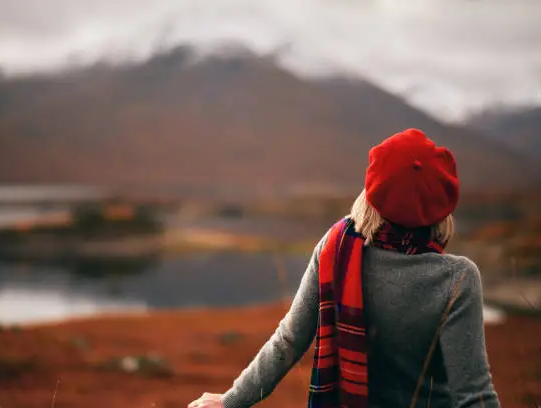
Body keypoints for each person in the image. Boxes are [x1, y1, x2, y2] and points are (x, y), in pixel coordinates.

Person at [188, 128, 500, 408]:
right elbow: (474, 396)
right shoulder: (458, 278)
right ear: (441, 207)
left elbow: (289, 340)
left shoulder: (336, 248)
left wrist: (229, 402)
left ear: (372, 192)